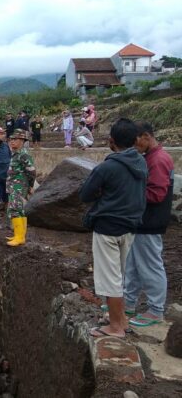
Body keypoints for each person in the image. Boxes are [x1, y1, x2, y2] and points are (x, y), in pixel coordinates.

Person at [80, 118, 148, 338]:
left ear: (111, 141)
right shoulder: (141, 163)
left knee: (110, 279)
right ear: (136, 141)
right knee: (119, 274)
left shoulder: (107, 167)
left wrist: (102, 193)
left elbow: (85, 194)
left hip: (108, 228)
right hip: (130, 227)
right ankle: (121, 319)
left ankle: (116, 327)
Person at [125, 122, 174, 327]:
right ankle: (128, 301)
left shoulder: (159, 160)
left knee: (150, 266)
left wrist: (127, 193)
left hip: (150, 221)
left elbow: (156, 194)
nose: (135, 148)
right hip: (141, 221)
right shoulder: (150, 157)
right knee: (133, 264)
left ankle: (156, 309)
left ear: (146, 136)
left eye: (136, 143)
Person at [5, 129, 36, 247]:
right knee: (20, 210)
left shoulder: (23, 155)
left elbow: (32, 172)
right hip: (14, 186)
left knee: (14, 210)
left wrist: (30, 186)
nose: (12, 142)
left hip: (19, 187)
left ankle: (19, 237)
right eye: (11, 139)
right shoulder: (16, 153)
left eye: (15, 139)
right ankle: (20, 235)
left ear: (22, 141)